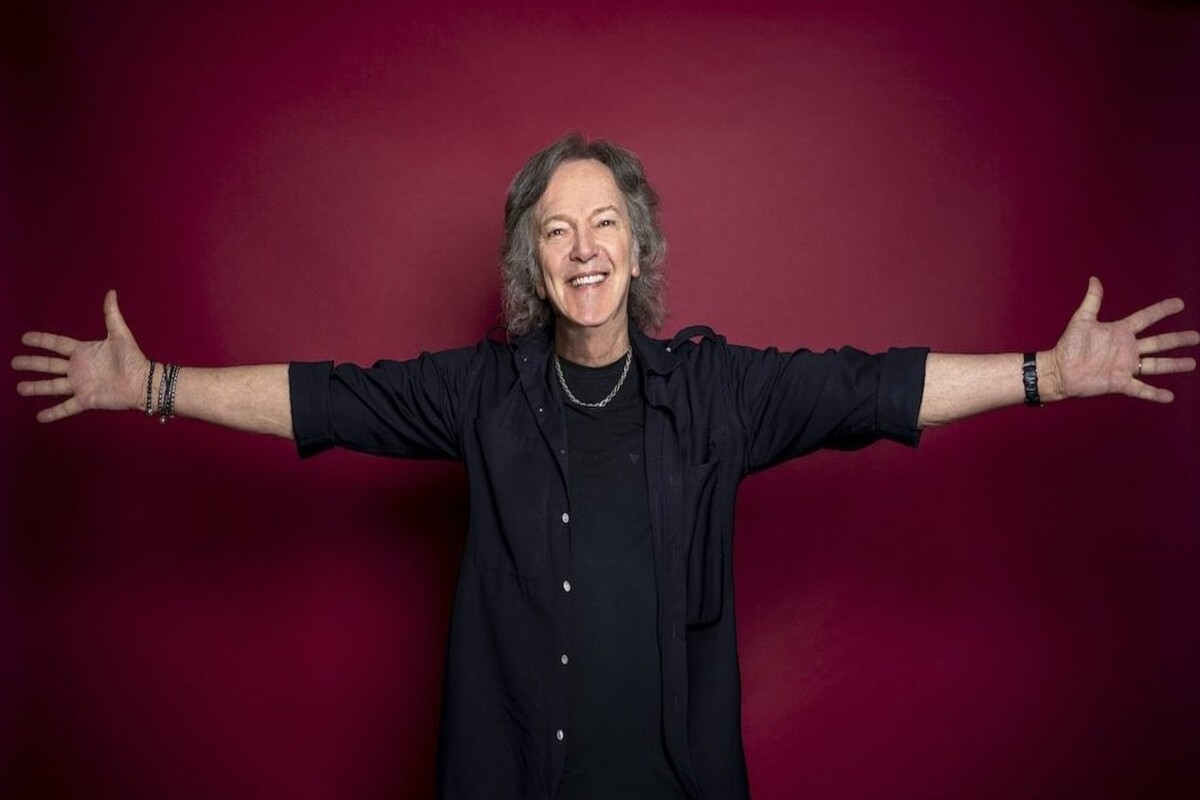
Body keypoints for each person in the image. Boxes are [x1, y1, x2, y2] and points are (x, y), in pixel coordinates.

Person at [12, 134, 1198, 800]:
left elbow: (872, 385)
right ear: (534, 262)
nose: (583, 248)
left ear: (638, 249)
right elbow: (325, 399)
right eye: (557, 229)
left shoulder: (721, 390)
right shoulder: (480, 393)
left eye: (604, 224)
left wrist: (1047, 372)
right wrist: (153, 384)